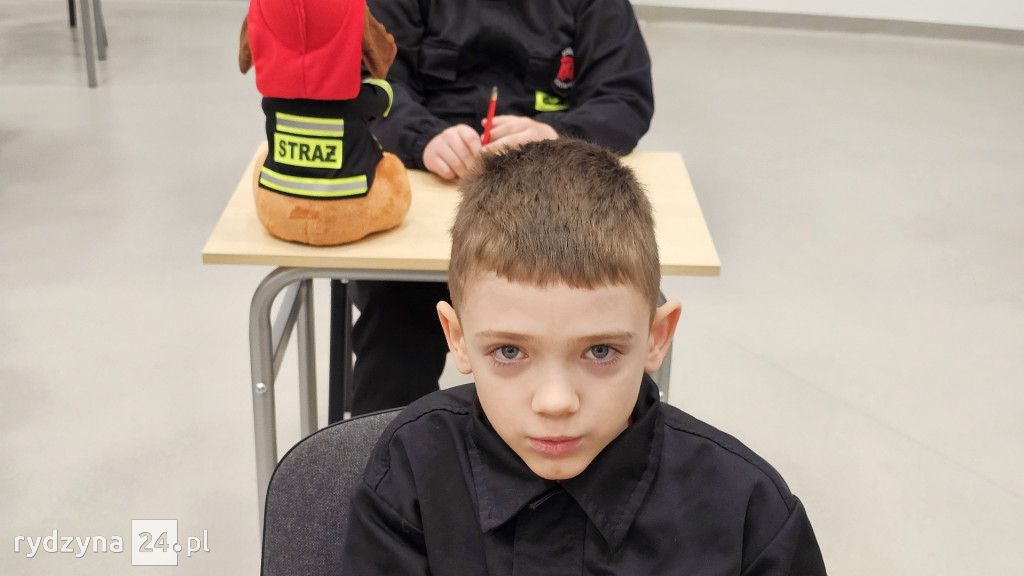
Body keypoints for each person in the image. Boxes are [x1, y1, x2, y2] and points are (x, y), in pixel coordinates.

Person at [341, 140, 827, 575]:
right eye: (509, 351)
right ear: (458, 337)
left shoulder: (749, 515)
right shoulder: (413, 470)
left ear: (656, 337)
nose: (555, 403)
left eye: (600, 351)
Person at [347, 0, 655, 414]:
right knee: (393, 331)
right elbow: (371, 80)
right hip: (431, 210)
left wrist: (556, 134)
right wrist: (424, 138)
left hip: (559, 214)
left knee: (609, 326)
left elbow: (624, 95)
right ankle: (393, 452)